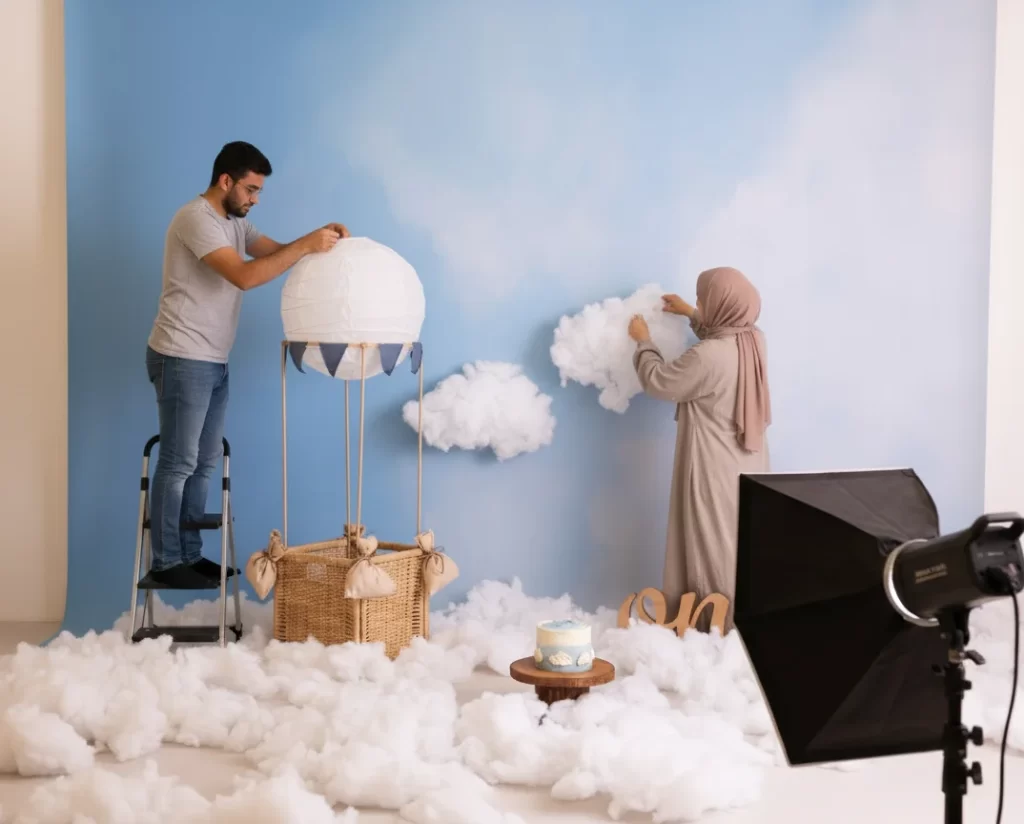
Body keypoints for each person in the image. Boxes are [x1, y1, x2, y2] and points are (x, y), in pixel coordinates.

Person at [145, 141, 351, 588]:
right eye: (252, 189)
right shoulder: (195, 219)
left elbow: (277, 250)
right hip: (181, 354)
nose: (255, 198)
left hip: (213, 358)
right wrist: (306, 246)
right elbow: (245, 275)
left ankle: (191, 553)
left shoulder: (236, 223)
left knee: (204, 461)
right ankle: (166, 562)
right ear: (226, 181)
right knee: (179, 462)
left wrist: (319, 239)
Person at [627, 266, 771, 633]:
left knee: (712, 541)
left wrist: (643, 342)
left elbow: (660, 382)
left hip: (713, 463)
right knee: (738, 541)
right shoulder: (753, 340)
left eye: (704, 299)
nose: (701, 303)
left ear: (722, 305)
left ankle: (717, 624)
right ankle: (746, 617)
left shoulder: (707, 356)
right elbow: (721, 332)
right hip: (749, 459)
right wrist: (692, 314)